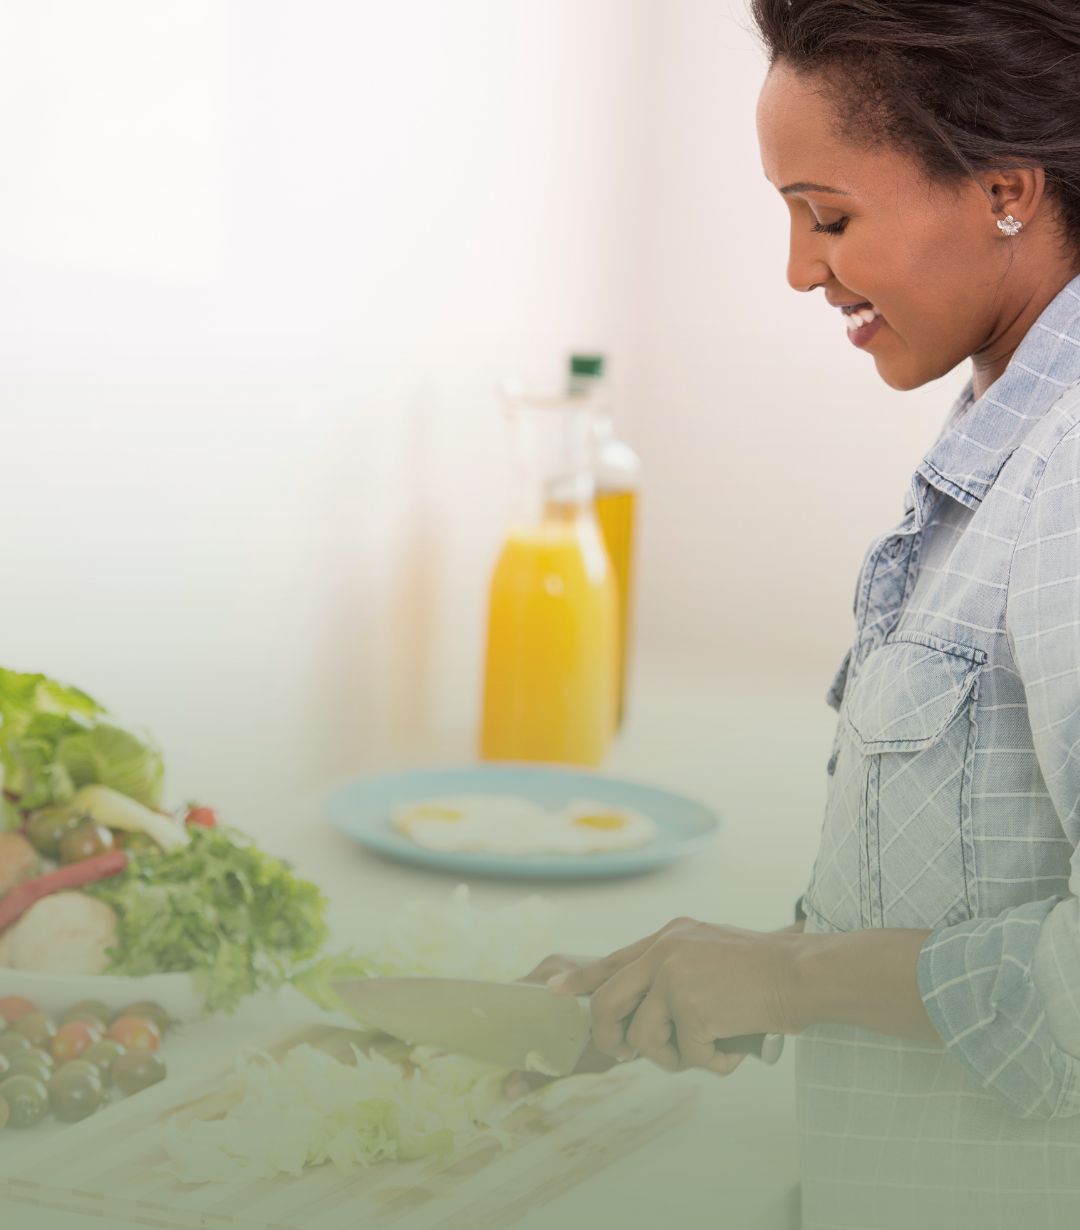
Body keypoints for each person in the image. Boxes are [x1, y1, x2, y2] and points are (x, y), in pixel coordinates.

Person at [506, 3, 1080, 1226]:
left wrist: (792, 976)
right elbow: (990, 886)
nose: (799, 268)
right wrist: (747, 971)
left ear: (1008, 190)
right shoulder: (1010, 433)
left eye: (829, 216)